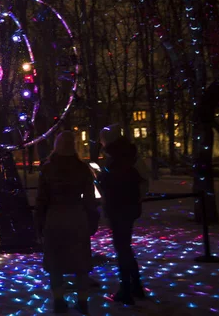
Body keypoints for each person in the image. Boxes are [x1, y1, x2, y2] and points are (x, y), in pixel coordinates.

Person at [36, 131, 96, 314]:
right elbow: (89, 199)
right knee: (80, 263)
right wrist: (92, 220)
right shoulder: (82, 168)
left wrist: (39, 223)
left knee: (56, 262)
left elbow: (41, 199)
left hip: (55, 218)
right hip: (77, 217)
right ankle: (83, 301)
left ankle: (59, 300)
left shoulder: (48, 168)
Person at [97, 124, 145, 305]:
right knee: (125, 247)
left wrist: (101, 178)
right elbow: (142, 181)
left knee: (122, 248)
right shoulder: (131, 155)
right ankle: (136, 286)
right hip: (130, 207)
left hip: (118, 207)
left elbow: (110, 184)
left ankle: (126, 289)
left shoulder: (114, 158)